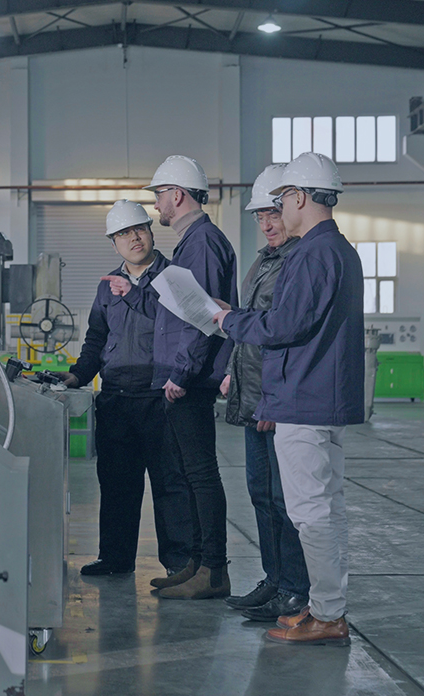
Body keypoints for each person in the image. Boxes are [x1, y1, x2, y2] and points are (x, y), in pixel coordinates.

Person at [214, 152, 364, 646]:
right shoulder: (337, 250)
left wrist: (228, 320)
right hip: (321, 397)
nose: (277, 210)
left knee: (310, 512)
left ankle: (328, 615)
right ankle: (326, 608)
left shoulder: (312, 254)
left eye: (282, 200)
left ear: (299, 197)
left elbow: (284, 326)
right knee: (326, 509)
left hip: (304, 399)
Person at [103, 156, 238, 599]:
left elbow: (203, 317)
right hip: (183, 379)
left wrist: (181, 372)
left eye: (160, 195)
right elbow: (176, 311)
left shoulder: (201, 244)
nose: (157, 205)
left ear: (177, 195)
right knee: (191, 477)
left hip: (189, 382)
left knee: (199, 477)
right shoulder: (192, 243)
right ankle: (196, 565)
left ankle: (212, 571)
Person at [56, 200, 194, 577]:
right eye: (123, 234)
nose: (133, 238)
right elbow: (96, 338)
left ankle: (179, 565)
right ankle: (115, 559)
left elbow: (183, 327)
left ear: (150, 232)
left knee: (170, 485)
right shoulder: (107, 287)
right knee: (117, 485)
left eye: (139, 229)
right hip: (116, 398)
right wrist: (78, 375)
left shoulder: (174, 278)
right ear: (113, 243)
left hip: (160, 398)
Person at [221, 164, 310, 622]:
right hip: (253, 394)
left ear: (292, 208)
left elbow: (286, 336)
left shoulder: (298, 262)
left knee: (283, 498)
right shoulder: (264, 260)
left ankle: (294, 589)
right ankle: (274, 580)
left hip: (275, 399)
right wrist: (232, 372)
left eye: (273, 213)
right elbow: (249, 326)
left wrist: (274, 397)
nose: (267, 223)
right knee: (260, 493)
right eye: (260, 216)